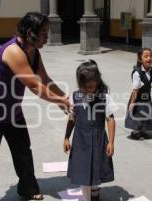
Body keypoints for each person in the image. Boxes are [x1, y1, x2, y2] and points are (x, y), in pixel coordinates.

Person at [0, 12, 70, 201]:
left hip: (12, 109)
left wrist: (64, 99)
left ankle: (28, 188)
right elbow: (34, 85)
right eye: (44, 33)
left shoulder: (33, 52)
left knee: (22, 149)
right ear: (30, 32)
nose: (47, 37)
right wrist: (60, 101)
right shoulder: (13, 50)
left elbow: (44, 79)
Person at [63, 60, 118, 201]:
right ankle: (88, 198)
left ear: (97, 82)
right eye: (83, 87)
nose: (86, 90)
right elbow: (72, 118)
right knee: (83, 172)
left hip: (98, 139)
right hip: (81, 141)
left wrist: (111, 142)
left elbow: (110, 119)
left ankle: (95, 190)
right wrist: (66, 137)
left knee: (96, 168)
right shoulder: (75, 97)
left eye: (90, 87)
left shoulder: (104, 98)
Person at [125, 48, 152, 139]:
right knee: (137, 114)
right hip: (137, 98)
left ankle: (143, 131)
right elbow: (135, 90)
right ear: (140, 59)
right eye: (146, 56)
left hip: (147, 98)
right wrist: (132, 103)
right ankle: (136, 132)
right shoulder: (137, 73)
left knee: (146, 114)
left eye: (150, 56)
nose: (149, 58)